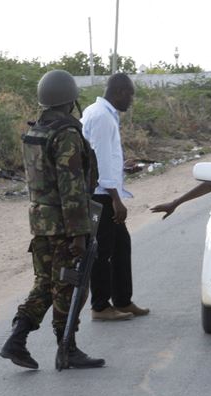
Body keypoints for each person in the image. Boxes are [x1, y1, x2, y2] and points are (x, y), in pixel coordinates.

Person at [0, 69, 105, 370]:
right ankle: (67, 349)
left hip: (40, 222)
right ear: (71, 100)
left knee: (46, 283)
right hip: (63, 225)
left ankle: (16, 340)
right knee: (70, 285)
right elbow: (71, 189)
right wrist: (79, 235)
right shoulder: (67, 135)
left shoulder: (36, 131)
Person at [81, 73, 149, 321]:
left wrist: (123, 168)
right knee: (103, 251)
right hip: (102, 196)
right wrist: (116, 199)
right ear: (120, 92)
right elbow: (99, 160)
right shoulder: (101, 116)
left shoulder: (102, 113)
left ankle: (122, 300)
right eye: (130, 95)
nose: (131, 101)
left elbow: (105, 157)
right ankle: (100, 306)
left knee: (121, 246)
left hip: (105, 191)